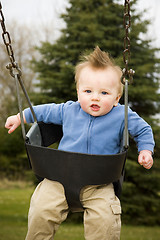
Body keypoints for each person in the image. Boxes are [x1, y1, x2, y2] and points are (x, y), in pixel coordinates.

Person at [5, 46, 154, 240]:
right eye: (88, 91)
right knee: (41, 210)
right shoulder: (69, 110)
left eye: (104, 93)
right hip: (59, 179)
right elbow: (44, 112)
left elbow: (143, 130)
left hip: (99, 183)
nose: (95, 97)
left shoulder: (122, 115)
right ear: (78, 92)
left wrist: (146, 150)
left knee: (105, 221)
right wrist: (21, 117)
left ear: (117, 98)